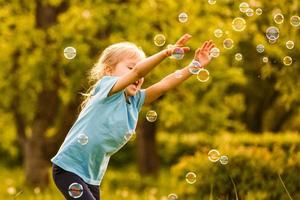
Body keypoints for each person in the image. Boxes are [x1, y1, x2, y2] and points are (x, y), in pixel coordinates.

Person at [51, 33, 215, 200]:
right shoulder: (107, 87)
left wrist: (195, 65)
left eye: (142, 74)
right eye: (130, 68)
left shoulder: (135, 101)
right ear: (109, 70)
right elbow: (138, 72)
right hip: (68, 168)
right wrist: (166, 53)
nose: (139, 76)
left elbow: (164, 85)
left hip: (92, 177)